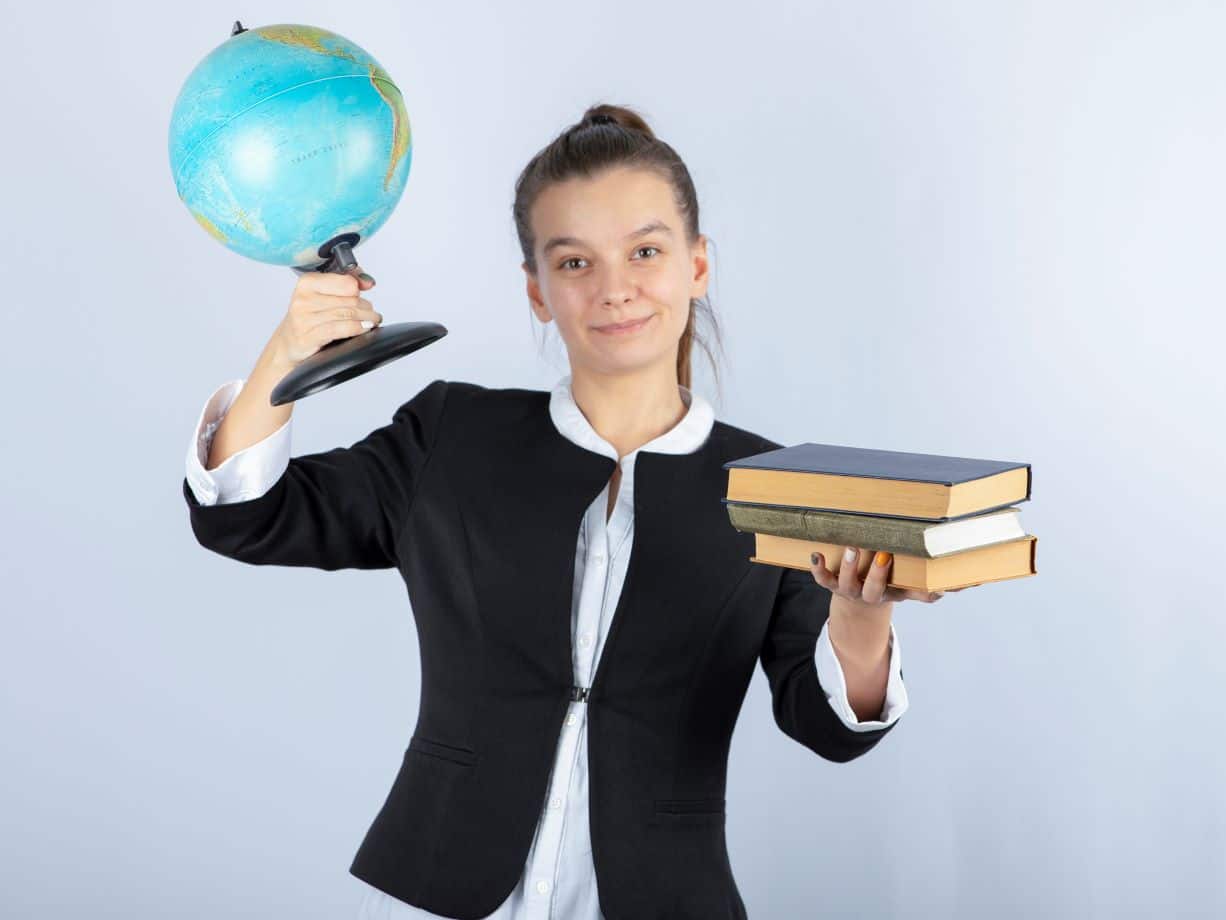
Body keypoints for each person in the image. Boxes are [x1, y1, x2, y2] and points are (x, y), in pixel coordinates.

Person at [182, 104, 942, 920]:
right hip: (443, 890)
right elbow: (244, 514)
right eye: (573, 262)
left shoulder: (777, 487)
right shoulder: (450, 436)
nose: (614, 289)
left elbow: (828, 729)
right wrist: (287, 351)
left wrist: (861, 620)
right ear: (537, 292)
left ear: (697, 266)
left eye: (645, 252)